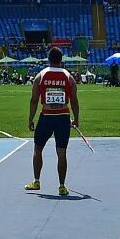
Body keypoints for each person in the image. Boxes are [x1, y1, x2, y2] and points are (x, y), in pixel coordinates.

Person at [26, 47, 80, 194]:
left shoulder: (41, 75)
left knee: (38, 149)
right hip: (63, 117)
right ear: (61, 60)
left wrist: (31, 119)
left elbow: (34, 100)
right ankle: (62, 186)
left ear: (48, 59)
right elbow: (74, 101)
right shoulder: (69, 77)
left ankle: (36, 182)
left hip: (46, 117)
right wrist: (76, 119)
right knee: (61, 153)